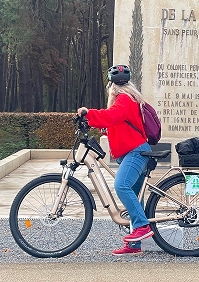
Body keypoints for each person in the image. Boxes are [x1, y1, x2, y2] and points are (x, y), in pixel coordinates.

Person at [78, 64, 153, 256]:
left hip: (136, 152)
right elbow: (119, 123)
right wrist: (101, 127)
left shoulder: (124, 99)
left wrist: (88, 113)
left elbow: (112, 115)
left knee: (122, 186)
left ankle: (142, 226)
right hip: (134, 151)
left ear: (111, 86)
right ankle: (135, 245)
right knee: (135, 199)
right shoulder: (128, 99)